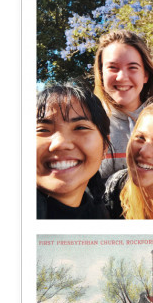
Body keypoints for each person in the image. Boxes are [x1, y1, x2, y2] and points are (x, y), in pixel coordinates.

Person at [94, 29, 153, 180]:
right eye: (112, 67)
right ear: (101, 74)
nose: (122, 77)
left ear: (145, 75)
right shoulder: (88, 122)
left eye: (132, 67)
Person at [36, 82, 111, 219]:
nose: (60, 144)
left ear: (105, 146)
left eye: (80, 128)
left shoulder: (100, 214)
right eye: (42, 130)